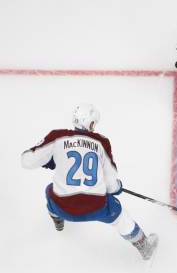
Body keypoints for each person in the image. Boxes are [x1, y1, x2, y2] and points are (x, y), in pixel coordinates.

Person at [20, 103, 158, 260]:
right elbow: (111, 184)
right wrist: (116, 187)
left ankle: (58, 220)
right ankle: (145, 247)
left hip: (63, 207)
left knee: (49, 191)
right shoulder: (101, 142)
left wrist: (47, 159)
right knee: (120, 216)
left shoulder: (57, 137)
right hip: (95, 206)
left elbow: (27, 161)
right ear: (91, 124)